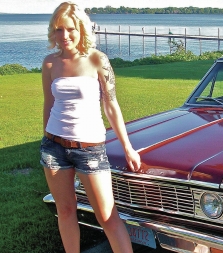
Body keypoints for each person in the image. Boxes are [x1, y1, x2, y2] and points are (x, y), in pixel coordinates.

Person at [40, 2, 140, 252]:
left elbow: (111, 106)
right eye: (58, 30)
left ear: (82, 29)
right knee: (65, 211)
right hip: (54, 147)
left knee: (107, 217)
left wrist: (128, 148)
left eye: (70, 29)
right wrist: (45, 138)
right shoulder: (50, 63)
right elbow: (48, 104)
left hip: (90, 150)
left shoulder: (98, 60)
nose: (64, 36)